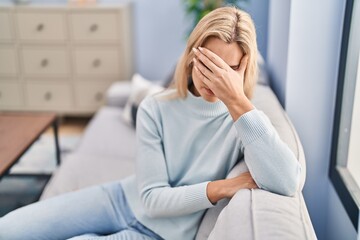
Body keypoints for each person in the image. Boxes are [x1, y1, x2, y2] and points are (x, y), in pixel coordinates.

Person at [0, 6, 301, 240]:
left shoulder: (246, 121)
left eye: (226, 68)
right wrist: (222, 188)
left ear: (243, 66)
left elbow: (288, 181)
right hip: (121, 198)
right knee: (8, 230)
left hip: (158, 233)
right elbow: (152, 198)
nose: (213, 77)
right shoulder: (156, 107)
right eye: (207, 62)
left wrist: (237, 102)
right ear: (192, 56)